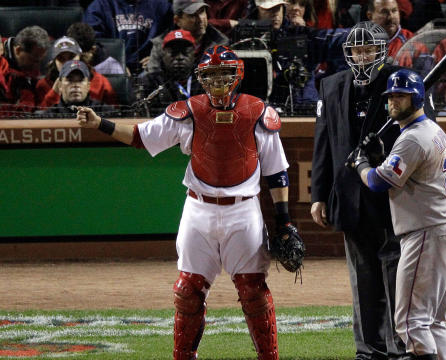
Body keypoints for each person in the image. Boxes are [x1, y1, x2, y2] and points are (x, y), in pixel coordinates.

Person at [76, 45, 298, 360]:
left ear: (238, 74)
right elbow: (141, 136)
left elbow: (277, 173)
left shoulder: (258, 111)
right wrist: (101, 122)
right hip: (199, 209)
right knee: (187, 291)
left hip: (244, 209)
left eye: (225, 73)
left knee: (253, 291)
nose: (218, 80)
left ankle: (269, 356)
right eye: (211, 74)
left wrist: (285, 221)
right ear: (201, 78)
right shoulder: (188, 111)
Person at [347, 69, 446, 360]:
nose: (394, 102)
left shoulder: (412, 139)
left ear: (418, 97)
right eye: (391, 97)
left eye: (401, 96)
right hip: (444, 230)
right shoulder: (429, 132)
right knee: (432, 323)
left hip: (427, 234)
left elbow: (377, 182)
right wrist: (379, 158)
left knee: (411, 323)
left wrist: (362, 164)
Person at [311, 21, 408, 360]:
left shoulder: (400, 81)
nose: (361, 54)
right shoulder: (332, 84)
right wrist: (318, 195)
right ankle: (369, 350)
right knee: (362, 277)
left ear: (383, 50)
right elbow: (324, 143)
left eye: (368, 48)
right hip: (350, 196)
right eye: (356, 49)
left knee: (396, 274)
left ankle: (401, 346)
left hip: (392, 195)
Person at [83, 0, 173, 75]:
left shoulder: (162, 6)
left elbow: (170, 38)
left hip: (149, 70)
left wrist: (156, 57)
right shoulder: (99, 6)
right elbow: (93, 43)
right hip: (113, 71)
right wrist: (116, 65)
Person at [144, 0, 229, 74]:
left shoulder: (220, 42)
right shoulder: (161, 43)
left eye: (202, 12)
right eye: (192, 15)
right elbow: (153, 75)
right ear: (177, 20)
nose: (200, 19)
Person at [36, 36, 117, 109]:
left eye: (71, 57)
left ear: (80, 57)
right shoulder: (43, 85)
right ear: (54, 62)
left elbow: (115, 112)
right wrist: (53, 93)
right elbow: (38, 117)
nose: (67, 63)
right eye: (61, 59)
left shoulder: (101, 82)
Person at [136, 30, 203, 114]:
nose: (179, 57)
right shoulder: (150, 81)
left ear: (194, 55)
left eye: (185, 52)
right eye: (173, 53)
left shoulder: (204, 81)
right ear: (163, 55)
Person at [0, 26, 50, 115]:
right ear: (18, 50)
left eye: (39, 61)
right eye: (33, 60)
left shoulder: (31, 71)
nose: (36, 66)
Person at [41, 59, 115, 117]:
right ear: (60, 85)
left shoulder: (105, 111)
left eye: (80, 80)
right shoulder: (49, 115)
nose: (76, 85)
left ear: (88, 86)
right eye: (70, 80)